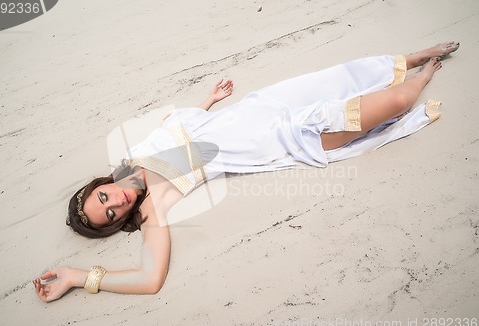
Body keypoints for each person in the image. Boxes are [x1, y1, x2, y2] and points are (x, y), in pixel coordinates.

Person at [33, 42, 460, 302]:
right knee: (394, 106)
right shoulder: (152, 210)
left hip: (262, 107)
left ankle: (412, 57)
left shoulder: (130, 158)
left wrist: (208, 100)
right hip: (282, 139)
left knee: (337, 77)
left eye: (103, 198)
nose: (115, 204)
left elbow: (175, 130)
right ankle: (420, 78)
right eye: (109, 216)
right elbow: (150, 279)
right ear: (120, 222)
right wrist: (79, 278)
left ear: (102, 185)